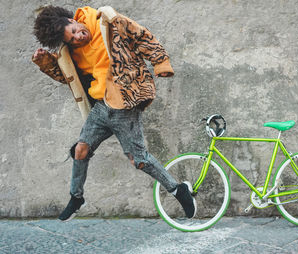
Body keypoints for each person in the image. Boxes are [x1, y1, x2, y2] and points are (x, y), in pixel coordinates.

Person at [32, 5, 196, 221]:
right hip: (100, 107)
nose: (77, 38)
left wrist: (160, 62)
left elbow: (142, 36)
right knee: (81, 150)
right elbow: (69, 78)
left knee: (139, 160)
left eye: (74, 32)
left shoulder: (107, 21)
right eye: (71, 40)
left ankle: (178, 190)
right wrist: (46, 63)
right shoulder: (72, 51)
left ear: (72, 21)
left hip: (124, 104)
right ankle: (76, 197)